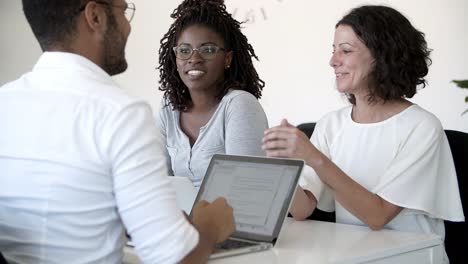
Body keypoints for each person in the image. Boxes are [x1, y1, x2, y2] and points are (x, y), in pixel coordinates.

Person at [0, 1, 235, 263]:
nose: (127, 27)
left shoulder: (5, 102)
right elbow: (177, 259)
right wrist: (212, 226)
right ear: (95, 16)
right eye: (123, 11)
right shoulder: (120, 113)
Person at [262, 5, 464, 263]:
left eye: (345, 51)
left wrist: (313, 156)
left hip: (413, 256)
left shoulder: (422, 127)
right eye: (333, 51)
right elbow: (302, 209)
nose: (333, 61)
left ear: (383, 56)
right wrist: (281, 165)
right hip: (357, 255)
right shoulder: (330, 124)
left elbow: (377, 216)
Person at [157, 0, 269, 187]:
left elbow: (246, 190)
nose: (194, 59)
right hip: (180, 215)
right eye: (184, 50)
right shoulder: (169, 106)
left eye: (207, 50)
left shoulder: (239, 105)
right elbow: (157, 181)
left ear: (227, 59)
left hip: (230, 216)